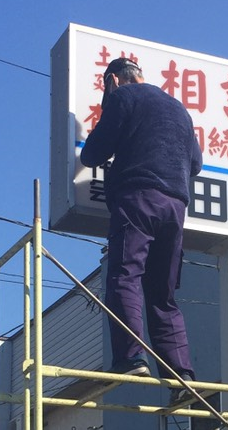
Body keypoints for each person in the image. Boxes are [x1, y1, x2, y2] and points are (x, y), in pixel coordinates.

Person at [81, 57, 203, 405]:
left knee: (125, 274)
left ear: (114, 81)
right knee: (162, 295)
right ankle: (181, 378)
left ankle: (132, 357)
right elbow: (196, 163)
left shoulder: (123, 97)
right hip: (176, 205)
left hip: (139, 197)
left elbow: (94, 152)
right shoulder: (179, 110)